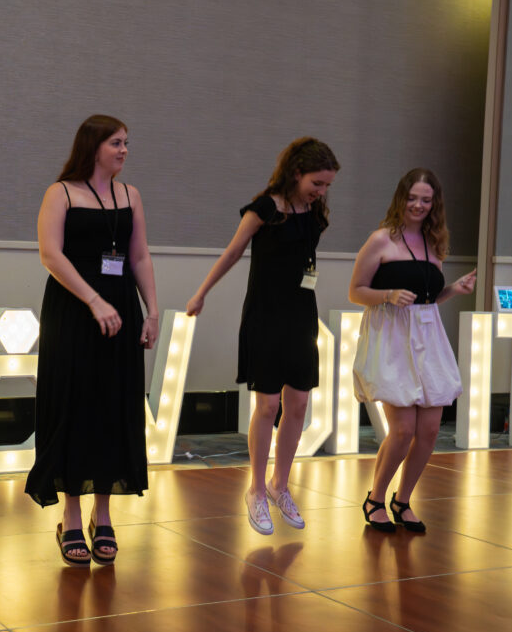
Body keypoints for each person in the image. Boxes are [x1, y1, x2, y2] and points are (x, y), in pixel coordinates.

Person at [187, 137, 339, 535]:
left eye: (326, 186)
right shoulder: (265, 209)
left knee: (300, 402)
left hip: (301, 313)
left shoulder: (315, 211)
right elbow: (233, 252)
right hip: (266, 315)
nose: (321, 192)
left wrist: (317, 200)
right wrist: (202, 292)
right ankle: (255, 489)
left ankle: (280, 485)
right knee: (268, 405)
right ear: (296, 172)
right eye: (317, 183)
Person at [25, 115, 159, 567]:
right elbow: (50, 254)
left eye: (127, 142)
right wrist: (94, 300)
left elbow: (139, 255)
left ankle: (104, 514)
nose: (124, 150)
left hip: (119, 308)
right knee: (73, 407)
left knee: (112, 407)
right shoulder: (60, 193)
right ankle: (70, 514)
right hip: (74, 310)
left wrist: (152, 309)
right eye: (116, 143)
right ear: (93, 146)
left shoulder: (131, 195)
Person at [349, 168, 476, 532]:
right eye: (413, 198)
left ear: (434, 204)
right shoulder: (380, 240)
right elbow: (355, 291)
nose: (418, 205)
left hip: (427, 336)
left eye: (426, 199)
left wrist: (454, 289)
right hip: (390, 337)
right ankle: (375, 498)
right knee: (402, 429)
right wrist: (387, 294)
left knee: (431, 429)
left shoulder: (435, 243)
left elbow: (429, 297)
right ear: (400, 198)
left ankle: (402, 500)